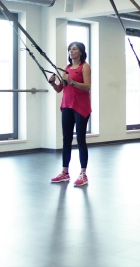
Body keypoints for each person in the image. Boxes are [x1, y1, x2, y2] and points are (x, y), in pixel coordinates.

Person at [48, 42, 92, 187]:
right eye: (69, 49)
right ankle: (65, 172)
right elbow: (60, 89)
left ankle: (83, 174)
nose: (71, 51)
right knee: (66, 139)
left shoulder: (85, 67)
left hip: (81, 108)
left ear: (80, 52)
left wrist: (72, 81)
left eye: (74, 49)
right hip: (66, 106)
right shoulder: (66, 69)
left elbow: (87, 87)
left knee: (80, 140)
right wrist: (53, 83)